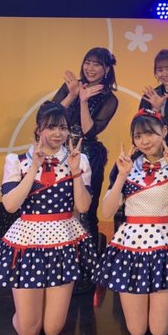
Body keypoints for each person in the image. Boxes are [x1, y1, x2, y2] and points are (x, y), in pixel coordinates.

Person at [0, 101, 97, 335]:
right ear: (38, 129)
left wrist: (75, 171)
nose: (58, 133)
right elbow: (11, 205)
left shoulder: (79, 160)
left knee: (52, 330)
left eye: (63, 128)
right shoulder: (17, 161)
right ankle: (24, 316)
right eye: (51, 127)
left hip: (64, 241)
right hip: (27, 242)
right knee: (29, 332)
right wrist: (34, 168)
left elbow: (83, 207)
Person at [96, 109, 168, 335]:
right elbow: (106, 211)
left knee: (159, 330)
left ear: (164, 131)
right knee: (137, 331)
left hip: (165, 244)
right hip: (131, 246)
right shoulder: (126, 166)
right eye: (138, 136)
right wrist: (122, 175)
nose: (144, 141)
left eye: (150, 133)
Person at [52, 47, 118, 243]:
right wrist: (72, 95)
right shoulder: (72, 86)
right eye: (87, 63)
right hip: (59, 151)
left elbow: (89, 131)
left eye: (96, 64)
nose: (90, 68)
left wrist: (83, 102)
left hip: (87, 154)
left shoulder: (109, 98)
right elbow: (49, 116)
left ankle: (87, 253)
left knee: (86, 209)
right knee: (57, 203)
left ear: (106, 69)